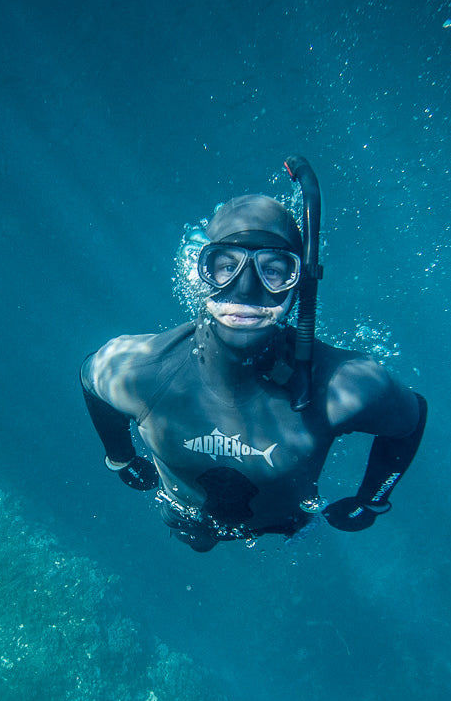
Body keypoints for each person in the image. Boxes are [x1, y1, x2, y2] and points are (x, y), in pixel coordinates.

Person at [80, 162, 427, 552]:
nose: (245, 290)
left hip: (289, 529)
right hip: (186, 521)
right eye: (226, 266)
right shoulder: (143, 371)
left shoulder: (345, 387)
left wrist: (373, 499)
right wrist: (120, 456)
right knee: (195, 542)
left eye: (274, 271)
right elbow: (90, 381)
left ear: (301, 283)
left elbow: (409, 420)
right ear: (201, 272)